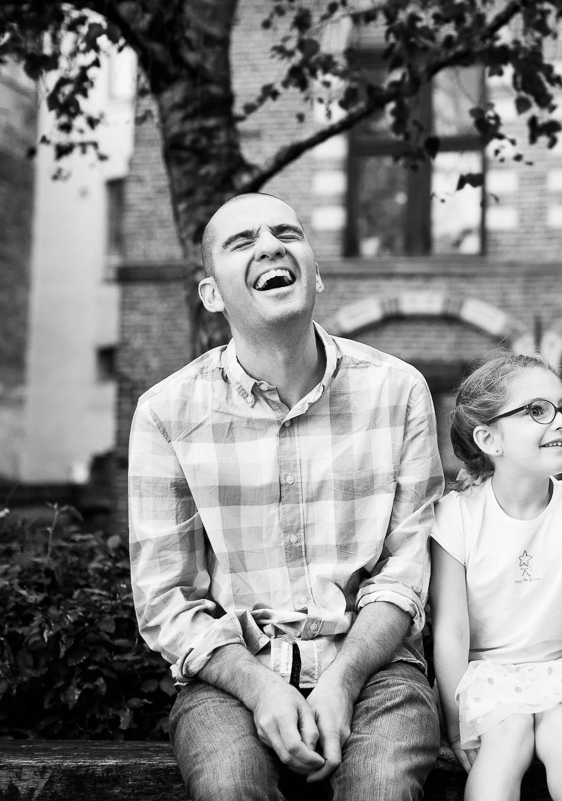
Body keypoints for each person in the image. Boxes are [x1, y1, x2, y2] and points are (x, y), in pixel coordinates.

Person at [128, 193, 444, 801]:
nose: (270, 245)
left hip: (375, 669)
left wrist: (344, 681)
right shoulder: (166, 413)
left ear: (316, 273)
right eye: (241, 242)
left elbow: (404, 571)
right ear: (212, 294)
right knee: (230, 788)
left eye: (285, 233)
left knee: (380, 788)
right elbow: (166, 599)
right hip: (233, 671)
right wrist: (261, 687)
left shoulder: (398, 390)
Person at [429, 352, 562, 801]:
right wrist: (457, 727)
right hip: (484, 674)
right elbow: (452, 629)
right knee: (508, 735)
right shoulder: (456, 514)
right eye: (537, 411)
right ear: (488, 437)